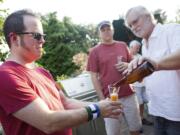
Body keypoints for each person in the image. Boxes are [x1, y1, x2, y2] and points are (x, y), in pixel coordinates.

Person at [0, 9, 123, 135]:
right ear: (15, 38)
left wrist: (103, 105)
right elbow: (48, 122)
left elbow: (66, 103)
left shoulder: (42, 72)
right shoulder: (5, 76)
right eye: (37, 36)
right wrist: (96, 109)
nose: (42, 41)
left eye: (43, 36)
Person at [126, 6, 180, 135]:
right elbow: (155, 74)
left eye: (135, 21)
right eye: (130, 26)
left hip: (176, 114)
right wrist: (138, 75)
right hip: (157, 111)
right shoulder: (144, 45)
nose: (133, 27)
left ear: (148, 16)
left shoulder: (171, 30)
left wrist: (155, 64)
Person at [87, 20, 142, 135]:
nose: (106, 32)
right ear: (99, 34)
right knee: (114, 132)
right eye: (103, 30)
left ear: (113, 30)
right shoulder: (94, 52)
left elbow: (134, 64)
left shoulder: (122, 45)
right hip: (110, 98)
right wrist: (102, 98)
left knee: (135, 128)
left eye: (109, 29)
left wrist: (127, 65)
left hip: (129, 94)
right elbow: (93, 76)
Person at [129, 40, 153, 126]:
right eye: (136, 48)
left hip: (143, 83)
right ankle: (138, 121)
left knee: (143, 102)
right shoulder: (128, 56)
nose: (138, 49)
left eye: (139, 48)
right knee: (137, 103)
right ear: (131, 47)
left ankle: (141, 118)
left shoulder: (139, 56)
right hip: (135, 85)